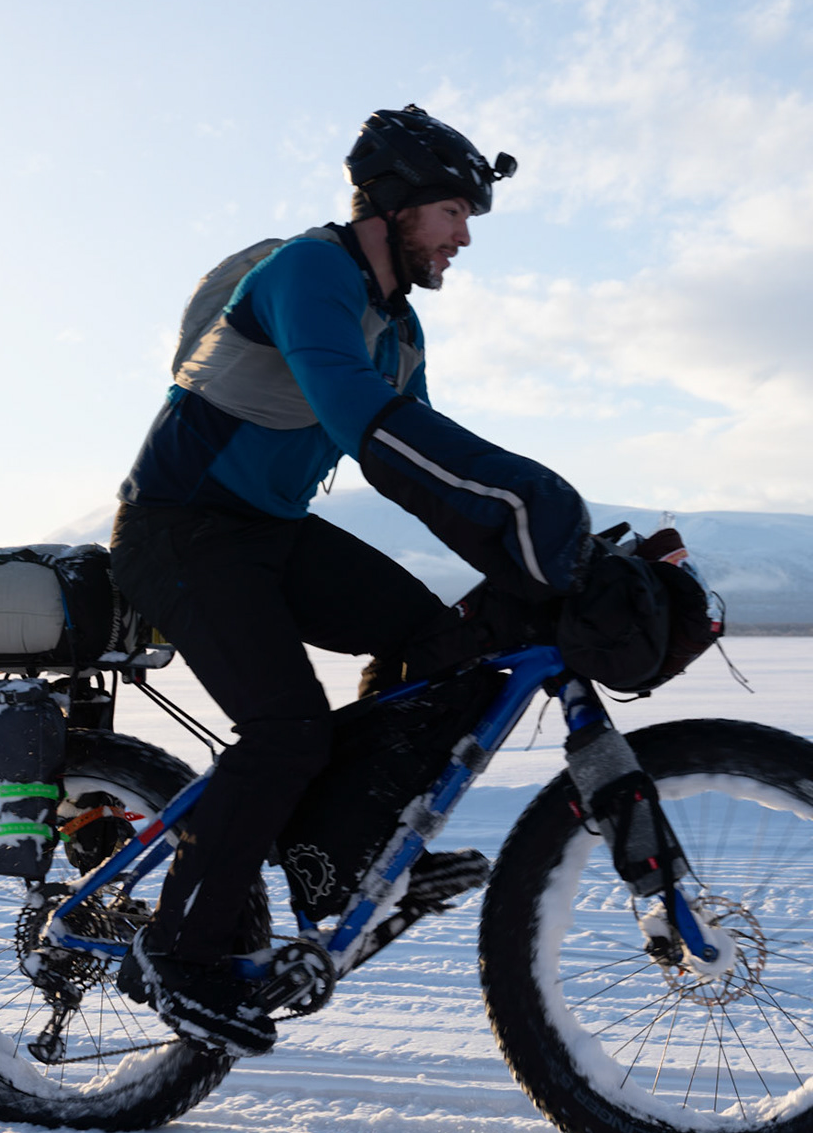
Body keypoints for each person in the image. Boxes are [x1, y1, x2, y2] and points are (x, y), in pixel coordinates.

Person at [108, 105, 588, 1058]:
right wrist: (526, 499)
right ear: (397, 203)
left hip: (269, 532)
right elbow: (357, 412)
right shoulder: (309, 272)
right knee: (286, 729)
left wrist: (524, 564)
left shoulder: (399, 327)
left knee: (439, 646)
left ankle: (342, 857)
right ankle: (178, 951)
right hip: (178, 530)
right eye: (454, 213)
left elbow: (417, 465)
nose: (462, 239)